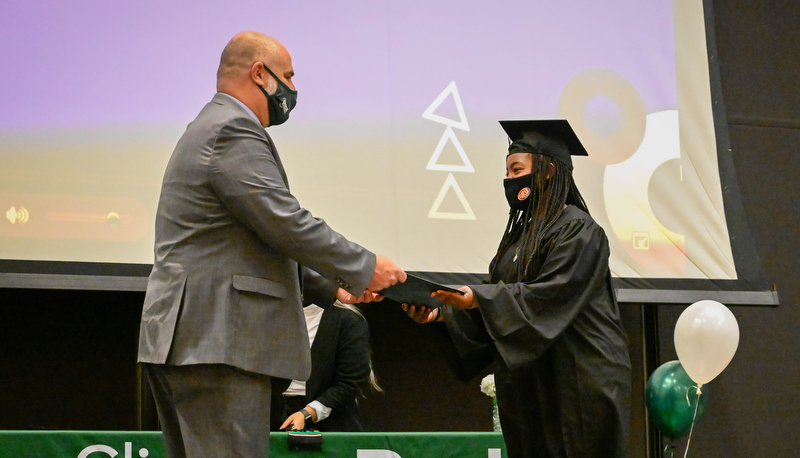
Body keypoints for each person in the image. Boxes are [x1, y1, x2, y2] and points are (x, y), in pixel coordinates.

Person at [137, 31, 406, 458]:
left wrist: (331, 288)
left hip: (196, 341)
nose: (294, 90)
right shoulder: (231, 129)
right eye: (289, 77)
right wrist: (364, 265)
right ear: (259, 74)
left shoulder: (209, 125)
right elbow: (285, 222)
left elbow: (246, 239)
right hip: (217, 341)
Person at [404, 120, 631, 457]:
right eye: (507, 171)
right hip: (536, 385)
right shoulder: (520, 238)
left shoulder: (581, 232)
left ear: (548, 171)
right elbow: (498, 304)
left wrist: (478, 299)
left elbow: (546, 296)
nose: (509, 180)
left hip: (579, 382)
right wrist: (440, 313)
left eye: (516, 169)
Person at [271, 301, 380, 432]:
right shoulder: (268, 314)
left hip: (330, 426)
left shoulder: (349, 320)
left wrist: (307, 413)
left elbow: (350, 383)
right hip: (272, 419)